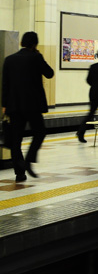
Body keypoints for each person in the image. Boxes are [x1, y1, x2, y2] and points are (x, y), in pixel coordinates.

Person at [1, 32, 54, 182]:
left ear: (22, 43)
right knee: (40, 132)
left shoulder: (9, 60)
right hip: (33, 106)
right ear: (34, 44)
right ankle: (28, 160)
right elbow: (49, 73)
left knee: (16, 139)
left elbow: (5, 84)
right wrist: (38, 55)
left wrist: (4, 105)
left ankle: (19, 173)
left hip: (14, 106)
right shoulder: (36, 57)